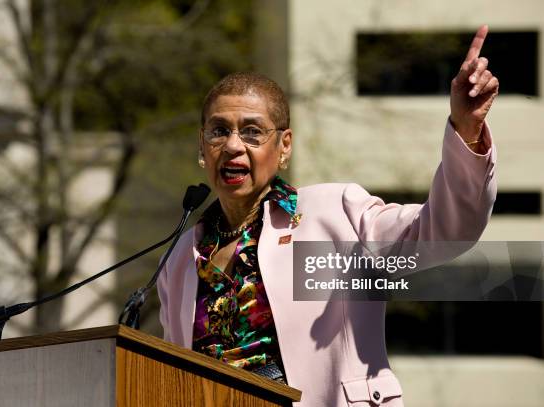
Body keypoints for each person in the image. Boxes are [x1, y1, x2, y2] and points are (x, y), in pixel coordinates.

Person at [157, 25, 498, 406]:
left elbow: (445, 232)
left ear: (284, 146)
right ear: (202, 145)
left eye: (252, 132)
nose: (234, 146)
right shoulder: (179, 257)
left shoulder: (335, 214)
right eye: (219, 131)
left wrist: (466, 130)